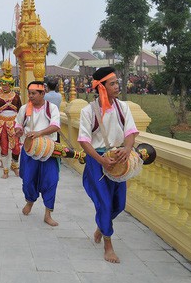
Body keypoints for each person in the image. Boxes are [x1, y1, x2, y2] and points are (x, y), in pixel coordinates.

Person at [77, 67, 139, 263]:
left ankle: (102, 226)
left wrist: (128, 149)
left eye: (116, 82)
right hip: (98, 161)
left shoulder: (123, 107)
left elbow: (130, 132)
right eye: (112, 83)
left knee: (118, 204)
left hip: (119, 159)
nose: (117, 86)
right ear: (101, 87)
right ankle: (108, 245)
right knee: (104, 202)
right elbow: (84, 141)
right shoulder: (89, 111)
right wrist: (101, 159)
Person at [15, 81, 61, 226]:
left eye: (34, 93)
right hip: (29, 150)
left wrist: (39, 133)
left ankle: (48, 214)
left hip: (48, 150)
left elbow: (55, 126)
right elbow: (18, 123)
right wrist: (18, 130)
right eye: (29, 93)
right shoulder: (24, 108)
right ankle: (30, 201)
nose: (30, 96)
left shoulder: (51, 108)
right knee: (28, 180)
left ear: (43, 93)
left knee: (51, 181)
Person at [0, 73, 22, 178]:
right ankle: (5, 170)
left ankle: (15, 165)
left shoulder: (16, 97)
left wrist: (21, 124)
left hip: (14, 123)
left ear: (11, 85)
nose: (4, 86)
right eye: (3, 84)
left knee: (16, 147)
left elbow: (21, 110)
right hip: (2, 124)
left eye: (7, 84)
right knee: (4, 147)